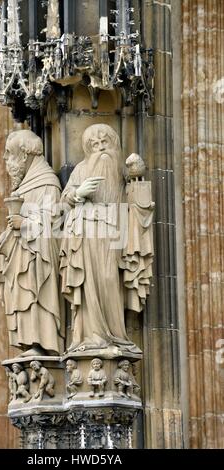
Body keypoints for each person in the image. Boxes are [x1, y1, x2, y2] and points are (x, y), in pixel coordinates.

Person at [60, 123, 154, 353]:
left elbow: (139, 206)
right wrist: (77, 194)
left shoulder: (120, 171)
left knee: (110, 280)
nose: (101, 148)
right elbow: (63, 203)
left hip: (113, 235)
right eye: (95, 145)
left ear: (114, 145)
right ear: (87, 149)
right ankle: (90, 336)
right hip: (85, 236)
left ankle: (114, 334)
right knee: (88, 283)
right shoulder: (81, 170)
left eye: (105, 143)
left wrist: (137, 177)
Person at [0, 129, 65, 357]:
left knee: (35, 294)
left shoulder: (47, 183)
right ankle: (29, 342)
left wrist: (25, 223)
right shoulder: (26, 185)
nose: (5, 160)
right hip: (24, 255)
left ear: (24, 155)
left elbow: (53, 223)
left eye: (9, 154)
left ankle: (41, 341)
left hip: (38, 259)